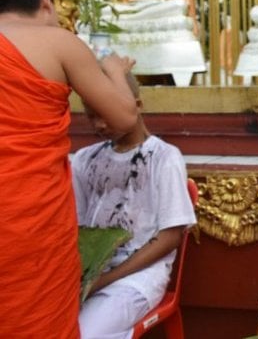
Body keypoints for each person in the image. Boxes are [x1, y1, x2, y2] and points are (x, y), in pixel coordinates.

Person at [0, 0, 138, 338]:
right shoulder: (58, 42)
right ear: (46, 0)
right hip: (27, 224)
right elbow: (124, 118)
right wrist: (112, 69)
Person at [72, 72, 196, 338]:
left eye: (106, 113)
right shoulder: (83, 161)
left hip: (138, 279)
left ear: (137, 106)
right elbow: (79, 230)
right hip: (85, 278)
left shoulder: (163, 158)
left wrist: (102, 281)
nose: (100, 124)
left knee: (82, 334)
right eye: (91, 115)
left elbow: (170, 236)